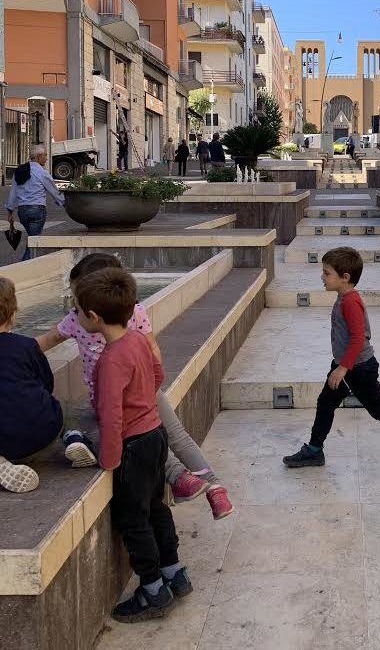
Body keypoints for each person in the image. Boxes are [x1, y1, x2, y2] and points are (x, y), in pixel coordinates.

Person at [37, 253, 233, 519]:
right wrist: (150, 385)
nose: (74, 305)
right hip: (145, 387)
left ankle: (180, 478)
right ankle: (214, 487)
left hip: (115, 397)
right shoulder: (132, 310)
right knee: (175, 435)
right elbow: (152, 348)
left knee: (126, 437)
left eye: (78, 298)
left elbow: (48, 339)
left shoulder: (79, 320)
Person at [73, 267, 190, 622]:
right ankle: (174, 572)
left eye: (78, 312)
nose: (76, 318)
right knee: (156, 506)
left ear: (93, 317)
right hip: (155, 434)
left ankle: (153, 590)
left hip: (134, 444)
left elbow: (111, 417)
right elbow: (157, 374)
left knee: (133, 517)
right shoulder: (137, 340)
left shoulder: (110, 360)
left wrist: (109, 460)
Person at [283, 246, 380, 472]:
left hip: (359, 368)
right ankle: (314, 450)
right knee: (326, 403)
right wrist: (341, 366)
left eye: (326, 273)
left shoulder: (351, 302)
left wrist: (342, 368)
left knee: (379, 410)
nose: (322, 277)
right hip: (347, 366)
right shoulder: (343, 297)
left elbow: (358, 338)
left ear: (345, 278)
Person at [0, 277, 64, 493]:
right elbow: (46, 384)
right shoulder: (26, 346)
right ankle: (74, 438)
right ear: (13, 314)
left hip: (5, 439)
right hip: (42, 431)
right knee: (65, 408)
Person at [4, 144, 65, 261]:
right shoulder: (41, 172)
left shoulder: (20, 170)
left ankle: (27, 263)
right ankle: (24, 265)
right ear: (38, 156)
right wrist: (63, 202)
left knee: (32, 239)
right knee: (34, 241)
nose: (47, 158)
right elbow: (54, 191)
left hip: (22, 212)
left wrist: (10, 212)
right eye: (45, 155)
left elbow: (13, 193)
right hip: (37, 211)